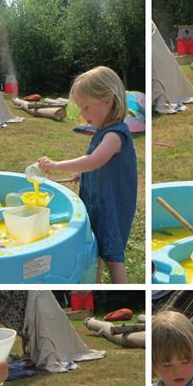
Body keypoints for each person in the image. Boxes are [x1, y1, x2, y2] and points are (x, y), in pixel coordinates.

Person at [39, 66, 137, 283]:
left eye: (85, 107)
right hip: (97, 201)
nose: (83, 114)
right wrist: (83, 177)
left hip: (112, 205)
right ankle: (98, 284)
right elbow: (100, 167)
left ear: (107, 100)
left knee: (112, 255)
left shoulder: (115, 135)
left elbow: (93, 161)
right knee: (96, 247)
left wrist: (55, 165)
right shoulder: (103, 133)